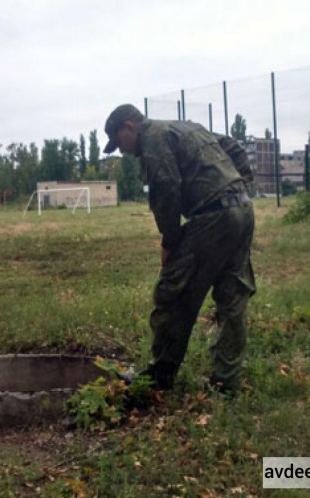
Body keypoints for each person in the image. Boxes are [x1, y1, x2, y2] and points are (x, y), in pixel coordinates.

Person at [103, 104, 256, 394]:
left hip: (213, 219)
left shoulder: (153, 139)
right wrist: (243, 188)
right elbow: (232, 147)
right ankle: (226, 384)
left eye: (119, 142)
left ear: (129, 126)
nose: (122, 151)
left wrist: (170, 243)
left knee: (172, 294)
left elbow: (166, 189)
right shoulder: (185, 127)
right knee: (231, 298)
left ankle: (159, 379)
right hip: (242, 213)